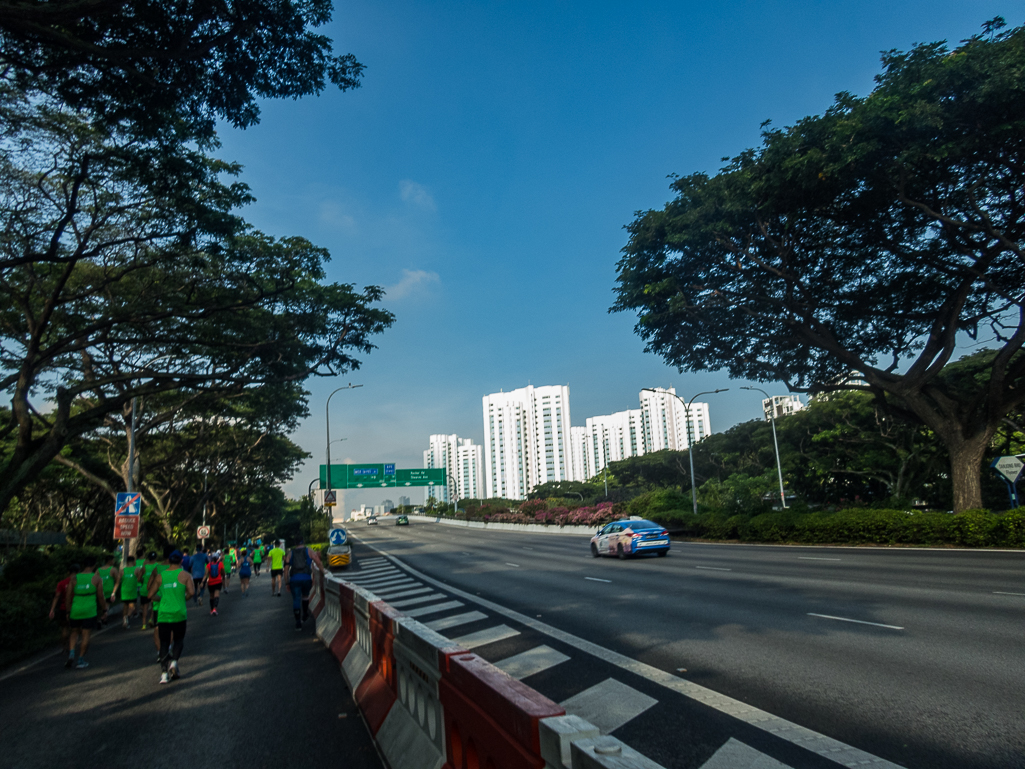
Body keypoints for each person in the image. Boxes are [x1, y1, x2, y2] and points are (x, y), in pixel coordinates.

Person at [149, 550, 194, 684]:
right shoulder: (185, 575)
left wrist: (161, 599)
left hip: (164, 614)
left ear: (168, 560)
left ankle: (164, 674)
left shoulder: (160, 576)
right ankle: (174, 662)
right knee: (179, 639)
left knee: (164, 643)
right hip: (179, 613)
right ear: (181, 561)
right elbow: (191, 592)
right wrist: (183, 598)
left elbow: (150, 595)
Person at [65, 559, 108, 669]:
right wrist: (104, 610)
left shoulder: (74, 579)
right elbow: (101, 597)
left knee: (74, 632)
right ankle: (80, 659)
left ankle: (71, 653)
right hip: (89, 610)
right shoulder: (97, 579)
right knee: (85, 635)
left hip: (75, 609)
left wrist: (68, 611)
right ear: (94, 566)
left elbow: (68, 596)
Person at [283, 537, 319, 630]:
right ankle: (305, 614)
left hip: (294, 579)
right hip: (306, 578)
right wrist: (323, 571)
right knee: (305, 596)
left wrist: (286, 582)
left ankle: (298, 623)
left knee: (296, 599)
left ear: (295, 543)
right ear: (303, 542)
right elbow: (317, 560)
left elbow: (286, 570)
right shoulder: (309, 551)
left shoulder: (290, 553)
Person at [48, 565, 74, 667]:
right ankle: (72, 647)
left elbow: (56, 596)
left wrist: (52, 609)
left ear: (68, 572)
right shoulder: (77, 582)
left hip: (63, 608)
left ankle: (64, 647)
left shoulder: (62, 583)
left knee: (64, 628)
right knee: (74, 630)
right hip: (74, 608)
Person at [117, 555, 141, 629]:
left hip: (124, 591)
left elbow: (118, 581)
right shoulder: (136, 569)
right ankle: (126, 619)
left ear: (127, 562)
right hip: (132, 591)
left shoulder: (122, 571)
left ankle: (124, 620)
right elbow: (139, 579)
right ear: (133, 562)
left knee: (125, 606)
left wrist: (113, 592)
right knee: (132, 607)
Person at [139, 551, 159, 629]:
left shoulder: (144, 567)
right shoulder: (157, 566)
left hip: (144, 589)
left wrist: (143, 582)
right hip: (154, 589)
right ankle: (151, 619)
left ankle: (143, 625)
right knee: (153, 605)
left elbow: (139, 578)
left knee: (145, 607)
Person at [204, 551, 225, 615]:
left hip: (210, 582)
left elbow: (206, 574)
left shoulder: (208, 565)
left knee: (211, 596)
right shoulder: (220, 564)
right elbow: (223, 573)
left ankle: (211, 609)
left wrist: (203, 582)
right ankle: (215, 609)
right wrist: (223, 577)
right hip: (218, 581)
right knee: (216, 595)